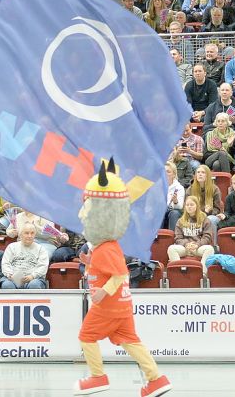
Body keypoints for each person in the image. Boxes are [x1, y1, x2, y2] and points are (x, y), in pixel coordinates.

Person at [74, 162, 171, 397]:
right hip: (122, 306)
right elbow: (108, 269)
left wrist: (102, 292)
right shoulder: (104, 248)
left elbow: (120, 274)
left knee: (86, 336)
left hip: (108, 305)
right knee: (131, 341)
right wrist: (89, 263)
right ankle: (156, 379)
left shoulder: (107, 248)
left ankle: (97, 377)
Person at [167, 196, 215, 264]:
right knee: (171, 248)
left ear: (197, 206)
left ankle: (203, 273)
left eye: (192, 205)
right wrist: (186, 244)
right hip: (185, 248)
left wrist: (197, 244)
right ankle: (179, 271)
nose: (189, 207)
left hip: (198, 248)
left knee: (210, 249)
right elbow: (178, 238)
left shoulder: (205, 219)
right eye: (187, 205)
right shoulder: (180, 221)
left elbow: (207, 237)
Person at [0, 224, 49, 289]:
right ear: (20, 235)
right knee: (7, 285)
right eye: (26, 233)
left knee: (34, 285)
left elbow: (43, 267)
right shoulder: (11, 247)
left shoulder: (41, 249)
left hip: (34, 279)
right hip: (12, 279)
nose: (29, 236)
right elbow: (5, 264)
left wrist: (32, 276)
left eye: (32, 233)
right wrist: (10, 275)